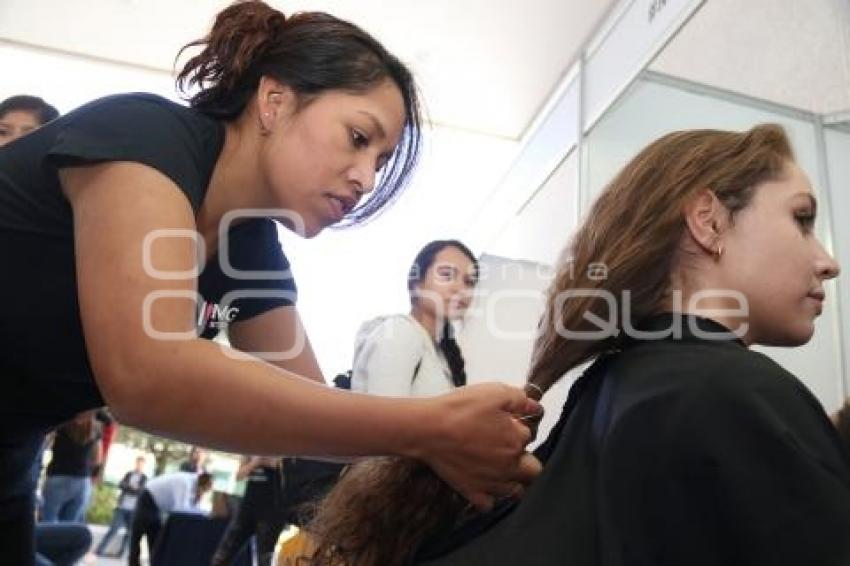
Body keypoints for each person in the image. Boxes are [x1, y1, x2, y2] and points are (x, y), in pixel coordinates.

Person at [0, 1, 540, 563]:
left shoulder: (249, 249)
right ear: (275, 100)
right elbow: (148, 376)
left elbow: (312, 418)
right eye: (359, 138)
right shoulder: (144, 138)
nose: (366, 177)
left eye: (381, 161)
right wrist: (427, 426)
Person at [308, 124, 850, 565]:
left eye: (468, 277)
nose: (828, 262)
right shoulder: (728, 393)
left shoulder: (625, 384)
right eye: (801, 219)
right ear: (708, 221)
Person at [352, 240, 478, 397]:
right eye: (447, 275)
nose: (460, 289)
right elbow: (384, 418)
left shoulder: (440, 354)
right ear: (417, 283)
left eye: (469, 282)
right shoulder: (400, 331)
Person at [211, 456, 284, 566]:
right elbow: (238, 475)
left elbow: (293, 476)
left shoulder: (285, 449)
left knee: (264, 556)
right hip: (248, 506)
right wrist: (255, 463)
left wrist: (275, 464)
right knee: (224, 552)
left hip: (271, 510)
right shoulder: (252, 449)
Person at [129, 471, 213, 566]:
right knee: (137, 539)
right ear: (200, 485)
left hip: (157, 506)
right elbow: (181, 509)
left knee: (155, 543)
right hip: (147, 499)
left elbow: (189, 508)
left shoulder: (192, 484)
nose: (202, 494)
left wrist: (197, 502)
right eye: (203, 491)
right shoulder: (184, 482)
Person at [40, 411, 102, 523]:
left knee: (48, 523)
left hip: (57, 476)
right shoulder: (95, 428)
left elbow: (45, 444)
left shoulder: (62, 424)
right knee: (68, 526)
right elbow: (97, 459)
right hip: (82, 481)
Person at [94, 455, 148, 558]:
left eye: (141, 464)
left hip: (134, 509)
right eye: (138, 463)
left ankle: (121, 554)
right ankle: (99, 550)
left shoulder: (144, 478)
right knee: (113, 528)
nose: (139, 465)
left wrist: (129, 488)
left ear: (143, 465)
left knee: (130, 533)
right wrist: (131, 487)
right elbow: (121, 484)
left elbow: (141, 491)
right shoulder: (129, 474)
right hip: (121, 507)